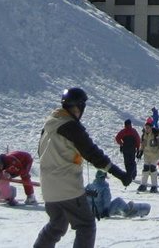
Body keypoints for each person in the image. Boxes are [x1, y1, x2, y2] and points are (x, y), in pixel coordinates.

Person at [34, 87, 133, 248]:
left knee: (57, 225)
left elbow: (40, 152)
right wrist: (120, 174)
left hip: (48, 189)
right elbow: (93, 154)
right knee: (86, 225)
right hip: (68, 188)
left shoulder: (49, 124)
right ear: (79, 107)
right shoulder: (71, 127)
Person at [84, 169, 148, 218]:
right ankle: (128, 210)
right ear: (103, 177)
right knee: (118, 201)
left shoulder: (89, 186)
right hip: (102, 212)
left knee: (114, 206)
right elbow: (106, 200)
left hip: (92, 211)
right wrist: (105, 210)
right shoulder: (104, 188)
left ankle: (119, 211)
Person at [138, 120, 159, 192]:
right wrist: (140, 152)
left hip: (155, 155)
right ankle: (143, 184)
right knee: (145, 168)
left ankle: (154, 186)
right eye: (146, 127)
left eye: (148, 128)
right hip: (147, 155)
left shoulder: (155, 134)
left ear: (151, 128)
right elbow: (142, 144)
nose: (146, 129)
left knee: (152, 169)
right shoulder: (144, 135)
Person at [114, 119, 140, 183]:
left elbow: (117, 138)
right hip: (132, 149)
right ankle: (133, 174)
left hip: (125, 149)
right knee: (132, 162)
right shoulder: (133, 131)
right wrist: (138, 148)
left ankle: (129, 174)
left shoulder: (123, 131)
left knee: (127, 162)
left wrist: (121, 144)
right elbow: (138, 140)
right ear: (130, 124)